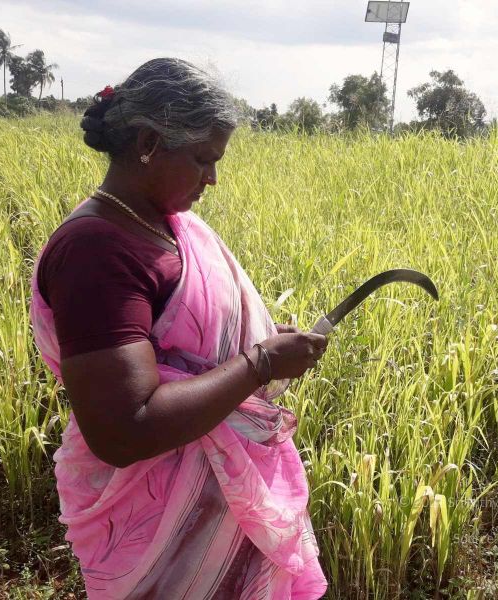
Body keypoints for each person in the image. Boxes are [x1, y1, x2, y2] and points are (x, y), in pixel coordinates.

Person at [29, 57, 329, 599]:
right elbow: (125, 428)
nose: (212, 178)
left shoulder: (165, 226)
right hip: (154, 522)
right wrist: (259, 363)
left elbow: (188, 347)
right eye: (202, 159)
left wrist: (257, 343)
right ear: (147, 141)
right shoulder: (97, 250)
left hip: (213, 503)